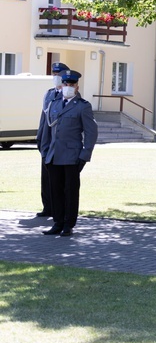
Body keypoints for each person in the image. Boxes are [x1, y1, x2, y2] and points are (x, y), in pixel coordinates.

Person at [39, 70, 98, 237]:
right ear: (62, 85)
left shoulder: (82, 106)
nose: (68, 87)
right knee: (55, 191)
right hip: (53, 155)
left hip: (72, 157)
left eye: (71, 85)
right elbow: (47, 130)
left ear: (77, 87)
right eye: (66, 84)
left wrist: (84, 155)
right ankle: (57, 222)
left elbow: (91, 132)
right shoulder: (54, 104)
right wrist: (44, 151)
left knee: (70, 192)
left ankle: (68, 224)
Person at [36, 61, 69, 218]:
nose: (55, 77)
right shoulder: (49, 94)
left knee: (60, 180)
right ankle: (47, 207)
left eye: (58, 75)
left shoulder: (68, 96)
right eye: (54, 74)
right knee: (45, 177)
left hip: (60, 144)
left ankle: (59, 210)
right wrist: (40, 139)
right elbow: (44, 119)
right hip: (47, 142)